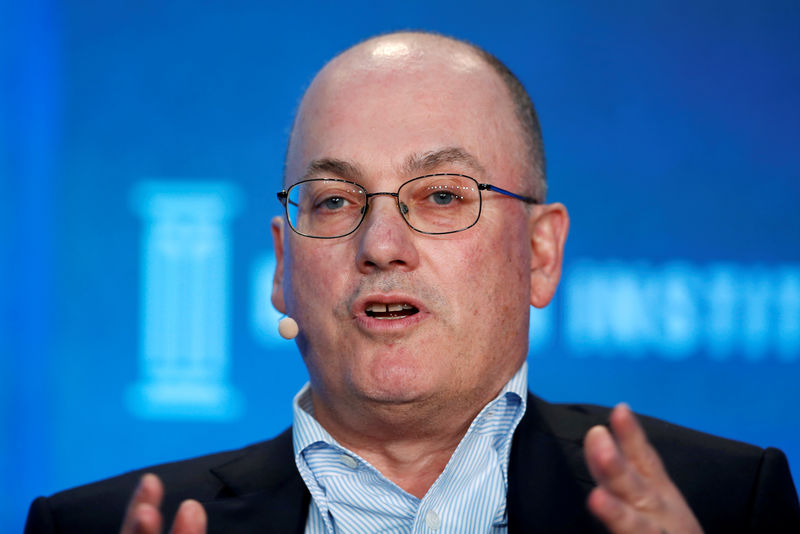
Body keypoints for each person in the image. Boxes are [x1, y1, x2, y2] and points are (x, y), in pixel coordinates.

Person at [25, 31, 799, 534]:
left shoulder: (724, 505)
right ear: (283, 269)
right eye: (333, 202)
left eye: (441, 197)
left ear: (539, 252)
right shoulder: (94, 527)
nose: (382, 244)